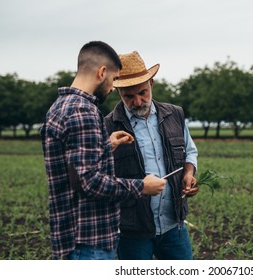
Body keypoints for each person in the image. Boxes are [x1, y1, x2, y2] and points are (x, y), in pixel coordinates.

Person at [40, 41, 166, 260]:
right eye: (114, 80)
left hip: (72, 238)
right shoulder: (83, 112)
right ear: (102, 72)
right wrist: (142, 187)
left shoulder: (60, 106)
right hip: (90, 241)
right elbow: (89, 182)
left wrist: (106, 146)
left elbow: (73, 166)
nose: (111, 88)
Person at [104, 51, 199, 260]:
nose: (138, 102)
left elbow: (190, 152)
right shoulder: (108, 126)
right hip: (132, 230)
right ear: (119, 92)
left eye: (142, 93)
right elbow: (101, 177)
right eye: (129, 96)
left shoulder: (175, 114)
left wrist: (188, 174)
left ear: (151, 84)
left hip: (173, 224)